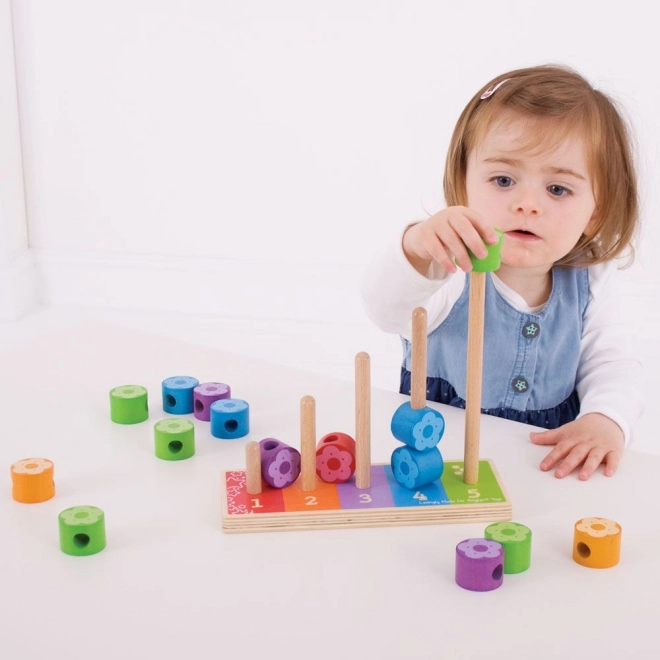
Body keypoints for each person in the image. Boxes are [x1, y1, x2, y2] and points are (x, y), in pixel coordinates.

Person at [360, 64, 643, 481]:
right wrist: (417, 247)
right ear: (464, 184)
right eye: (504, 180)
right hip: (440, 460)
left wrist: (606, 418)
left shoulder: (592, 281)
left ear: (595, 212)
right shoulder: (448, 264)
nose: (527, 204)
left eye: (558, 189)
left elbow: (613, 362)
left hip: (545, 463)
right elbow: (385, 311)